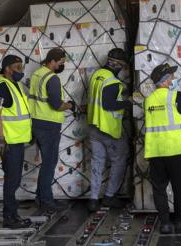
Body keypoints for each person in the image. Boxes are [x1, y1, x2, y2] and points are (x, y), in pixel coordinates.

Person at [144, 63, 181, 234]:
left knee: (159, 189)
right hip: (176, 151)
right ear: (165, 81)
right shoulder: (177, 96)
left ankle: (165, 223)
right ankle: (180, 221)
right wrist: (178, 93)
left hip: (156, 152)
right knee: (179, 188)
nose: (174, 79)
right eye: (171, 77)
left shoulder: (148, 100)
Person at [28, 48, 75, 213]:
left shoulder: (36, 74)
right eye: (61, 62)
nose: (61, 66)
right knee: (49, 163)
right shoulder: (52, 78)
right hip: (49, 125)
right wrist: (70, 105)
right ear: (53, 60)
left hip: (36, 123)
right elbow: (56, 105)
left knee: (46, 162)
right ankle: (46, 201)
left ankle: (41, 197)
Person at [86, 48, 131, 212]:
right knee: (119, 159)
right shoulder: (113, 82)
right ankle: (110, 196)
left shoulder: (97, 75)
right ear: (119, 65)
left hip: (93, 126)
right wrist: (128, 102)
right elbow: (108, 104)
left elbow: (102, 95)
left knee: (97, 162)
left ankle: (93, 199)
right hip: (108, 129)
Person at [0, 55, 32, 228]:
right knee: (12, 180)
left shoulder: (15, 85)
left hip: (17, 140)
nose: (20, 71)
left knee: (14, 179)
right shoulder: (2, 88)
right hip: (8, 143)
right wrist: (1, 138)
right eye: (17, 67)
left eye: (21, 67)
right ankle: (9, 217)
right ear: (7, 68)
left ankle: (13, 215)